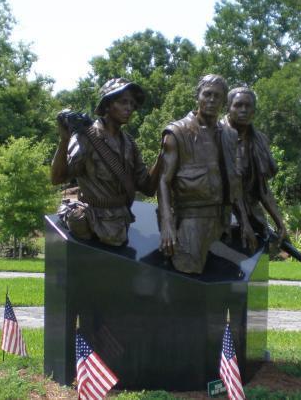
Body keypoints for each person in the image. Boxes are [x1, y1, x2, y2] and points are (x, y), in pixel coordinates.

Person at [157, 74, 257, 274]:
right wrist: (167, 224)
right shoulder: (176, 133)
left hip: (222, 222)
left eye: (217, 96)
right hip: (191, 221)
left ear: (223, 102)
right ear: (198, 96)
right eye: (207, 94)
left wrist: (245, 222)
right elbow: (164, 181)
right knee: (188, 273)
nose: (212, 100)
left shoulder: (229, 135)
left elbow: (234, 183)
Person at [50, 78, 159, 246]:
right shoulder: (86, 138)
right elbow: (57, 178)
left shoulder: (129, 144)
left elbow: (148, 188)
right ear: (107, 105)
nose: (129, 108)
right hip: (95, 219)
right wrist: (64, 140)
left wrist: (164, 155)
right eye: (123, 102)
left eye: (132, 104)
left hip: (121, 218)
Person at [220, 87, 287, 251]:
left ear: (254, 110)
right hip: (223, 214)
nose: (243, 110)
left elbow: (263, 188)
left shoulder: (260, 140)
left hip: (252, 213)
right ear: (228, 107)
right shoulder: (216, 135)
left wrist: (279, 221)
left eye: (248, 106)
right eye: (238, 105)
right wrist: (243, 223)